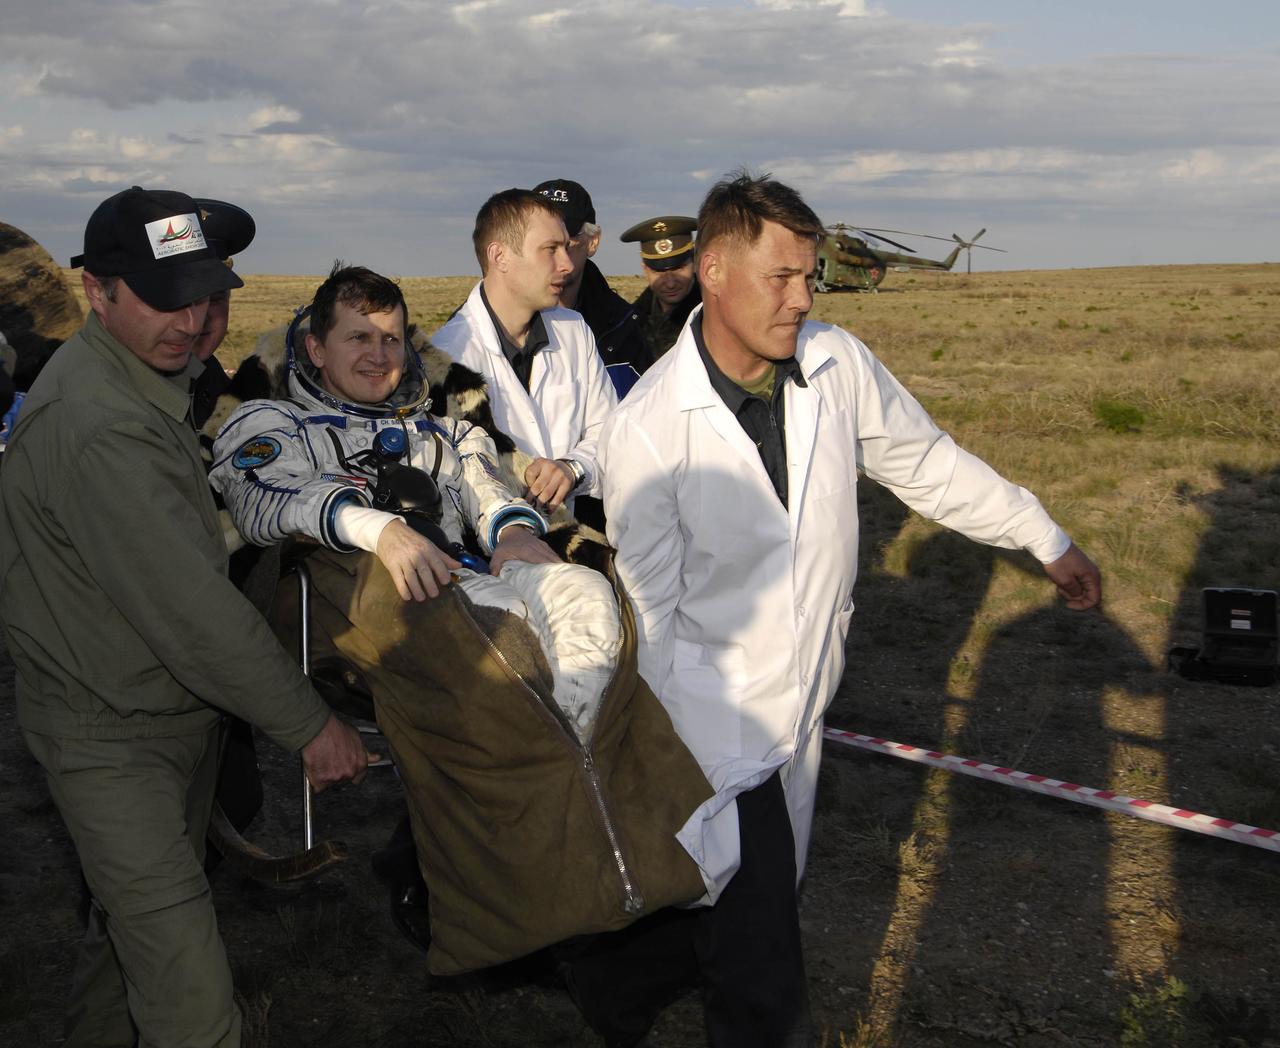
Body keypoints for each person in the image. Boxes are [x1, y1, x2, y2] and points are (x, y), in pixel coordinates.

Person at [587, 172, 1103, 1047]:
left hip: (805, 710)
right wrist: (666, 764)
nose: (801, 298)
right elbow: (650, 609)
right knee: (762, 974)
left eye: (809, 276)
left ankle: (602, 982)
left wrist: (1040, 534)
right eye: (780, 277)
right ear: (713, 271)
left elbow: (926, 463)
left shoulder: (837, 364)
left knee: (713, 913)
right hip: (713, 732)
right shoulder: (648, 429)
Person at [210, 263, 712, 975]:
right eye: (358, 338)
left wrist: (509, 529)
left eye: (391, 339)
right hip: (364, 600)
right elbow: (264, 501)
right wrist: (374, 528)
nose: (379, 355)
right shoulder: (273, 422)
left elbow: (484, 485)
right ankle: (538, 872)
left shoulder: (439, 428)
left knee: (586, 598)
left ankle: (584, 781)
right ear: (315, 349)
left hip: (467, 583)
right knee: (511, 663)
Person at [0, 186, 371, 1048]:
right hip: (112, 740)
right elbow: (193, 611)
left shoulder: (150, 379)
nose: (195, 321)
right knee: (192, 1003)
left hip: (161, 716)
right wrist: (311, 726)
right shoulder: (100, 423)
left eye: (210, 296)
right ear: (97, 291)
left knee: (127, 952)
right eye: (168, 299)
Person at [432, 188, 618, 517]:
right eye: (550, 249)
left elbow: (612, 434)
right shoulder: (446, 358)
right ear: (500, 256)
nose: (567, 265)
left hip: (567, 544)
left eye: (566, 247)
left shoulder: (574, 331)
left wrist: (573, 469)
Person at [532, 178, 650, 398]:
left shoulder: (626, 330)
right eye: (541, 245)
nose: (555, 258)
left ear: (593, 241)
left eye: (565, 244)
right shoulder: (485, 326)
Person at [617, 214, 703, 367]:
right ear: (645, 270)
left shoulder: (714, 316)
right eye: (659, 271)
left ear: (695, 262)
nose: (670, 283)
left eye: (678, 268)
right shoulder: (630, 322)